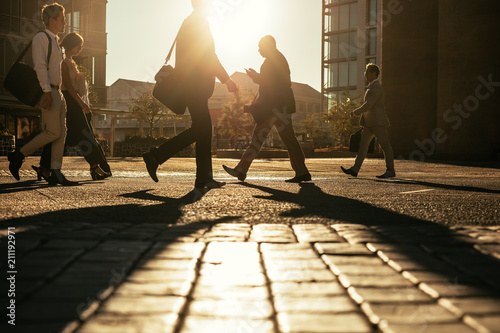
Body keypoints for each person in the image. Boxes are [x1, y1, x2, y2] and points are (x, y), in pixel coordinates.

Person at [142, 0, 238, 189]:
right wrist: (227, 80)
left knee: (203, 129)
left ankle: (203, 176)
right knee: (201, 128)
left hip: (193, 84)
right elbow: (209, 56)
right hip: (196, 84)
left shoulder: (192, 21)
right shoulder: (197, 23)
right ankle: (156, 156)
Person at [223, 35, 311, 183]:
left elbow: (274, 83)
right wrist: (257, 77)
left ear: (268, 45)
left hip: (275, 107)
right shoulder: (276, 59)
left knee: (259, 137)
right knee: (289, 139)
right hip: (280, 106)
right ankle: (302, 171)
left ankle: (241, 169)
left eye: (260, 46)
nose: (258, 50)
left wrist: (256, 77)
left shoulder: (274, 60)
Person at [7, 3, 77, 186]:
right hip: (49, 91)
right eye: (62, 18)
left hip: (58, 92)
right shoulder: (41, 37)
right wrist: (46, 91)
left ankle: (55, 172)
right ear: (51, 20)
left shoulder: (55, 40)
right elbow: (40, 66)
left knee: (61, 134)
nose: (65, 22)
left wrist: (59, 93)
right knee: (53, 132)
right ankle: (18, 155)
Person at [32, 32, 111, 182]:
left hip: (73, 101)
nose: (80, 49)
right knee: (83, 134)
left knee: (66, 136)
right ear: (70, 45)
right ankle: (95, 167)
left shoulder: (70, 61)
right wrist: (82, 103)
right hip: (70, 101)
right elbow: (67, 87)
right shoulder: (63, 62)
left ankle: (44, 167)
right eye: (78, 46)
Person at [340, 63, 396, 179]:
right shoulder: (371, 86)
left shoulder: (377, 88)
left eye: (366, 71)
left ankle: (390, 170)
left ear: (373, 73)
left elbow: (369, 104)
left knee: (385, 145)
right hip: (369, 122)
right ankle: (355, 169)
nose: (365, 74)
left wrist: (356, 112)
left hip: (377, 122)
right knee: (363, 146)